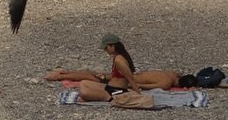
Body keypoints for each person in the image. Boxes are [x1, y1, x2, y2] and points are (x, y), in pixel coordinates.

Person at [45, 37, 183, 101]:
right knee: (89, 77)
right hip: (114, 82)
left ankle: (62, 75)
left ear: (112, 46)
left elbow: (133, 81)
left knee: (87, 80)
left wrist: (136, 93)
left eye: (106, 48)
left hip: (117, 88)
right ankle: (64, 74)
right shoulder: (171, 75)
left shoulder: (119, 60)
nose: (105, 50)